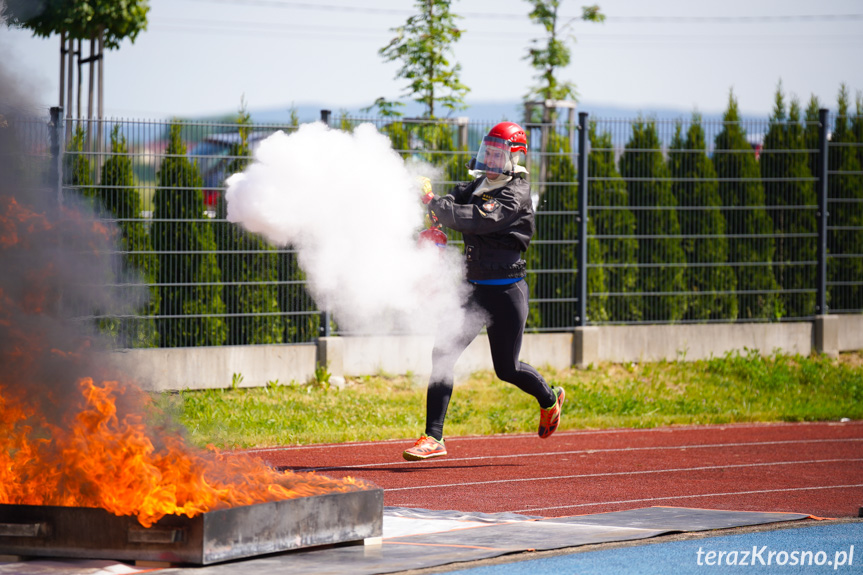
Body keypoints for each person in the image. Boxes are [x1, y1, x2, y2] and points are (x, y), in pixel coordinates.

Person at [403, 121, 565, 461]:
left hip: (507, 291)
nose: (490, 158)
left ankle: (549, 398)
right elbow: (455, 200)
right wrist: (434, 206)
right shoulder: (479, 184)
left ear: (515, 156)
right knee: (442, 354)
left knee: (506, 369)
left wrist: (437, 205)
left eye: (497, 152)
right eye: (488, 150)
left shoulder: (515, 193)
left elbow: (476, 218)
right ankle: (433, 437)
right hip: (472, 289)